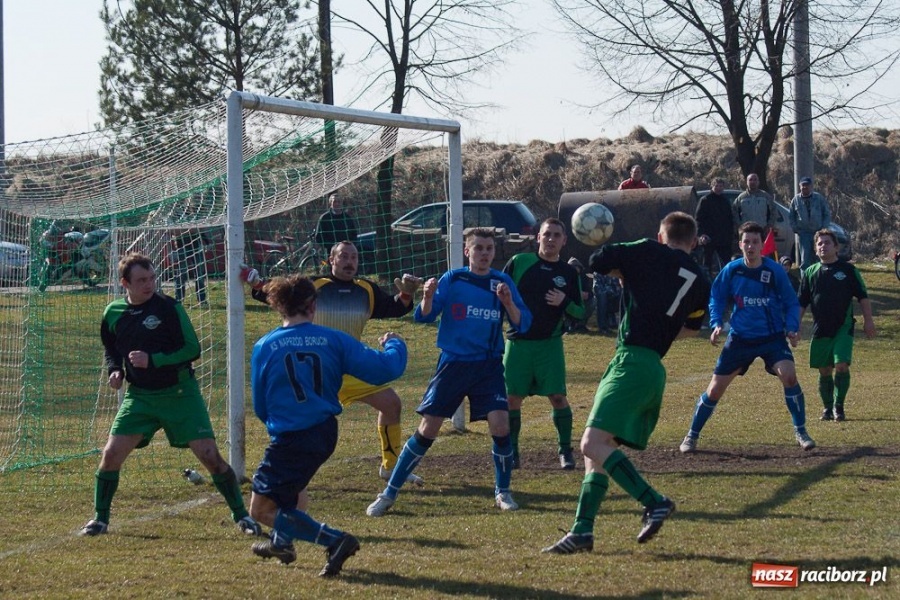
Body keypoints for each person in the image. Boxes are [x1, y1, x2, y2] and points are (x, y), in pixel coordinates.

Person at [542, 212, 709, 554]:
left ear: (662, 236)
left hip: (631, 362)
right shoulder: (701, 278)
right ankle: (582, 531)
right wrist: (657, 328)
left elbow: (599, 260)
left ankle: (653, 500)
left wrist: (622, 271)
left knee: (590, 444)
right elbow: (692, 328)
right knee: (599, 453)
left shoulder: (648, 249)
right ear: (693, 242)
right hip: (652, 366)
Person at [79, 253, 261, 537]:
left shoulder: (168, 307)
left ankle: (242, 517)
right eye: (141, 280)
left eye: (152, 278)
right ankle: (100, 520)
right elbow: (112, 348)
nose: (149, 284)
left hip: (180, 393)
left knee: (210, 456)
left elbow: (192, 349)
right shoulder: (113, 312)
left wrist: (154, 360)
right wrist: (116, 370)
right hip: (139, 397)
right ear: (124, 283)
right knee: (111, 454)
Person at [247, 275, 408, 576]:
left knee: (260, 510)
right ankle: (282, 542)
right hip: (324, 431)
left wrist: (278, 424)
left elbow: (260, 403)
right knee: (293, 490)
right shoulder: (333, 339)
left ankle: (335, 540)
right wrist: (395, 344)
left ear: (279, 307)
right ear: (312, 305)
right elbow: (386, 368)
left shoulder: (265, 346)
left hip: (291, 436)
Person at [365, 228, 532, 516]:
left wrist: (507, 303)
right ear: (467, 251)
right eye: (478, 248)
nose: (484, 254)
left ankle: (502, 492)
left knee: (501, 426)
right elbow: (425, 315)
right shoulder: (453, 279)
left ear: (494, 252)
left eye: (489, 249)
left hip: (488, 365)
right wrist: (427, 296)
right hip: (454, 363)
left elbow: (523, 323)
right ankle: (389, 492)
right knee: (428, 428)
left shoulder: (502, 282)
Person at [241, 241, 425, 488]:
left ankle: (390, 468)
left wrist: (407, 293)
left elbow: (394, 308)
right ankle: (278, 468)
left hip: (350, 367)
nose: (350, 261)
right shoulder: (315, 285)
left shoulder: (366, 290)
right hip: (317, 369)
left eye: (354, 257)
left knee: (391, 403)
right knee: (297, 421)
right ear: (331, 259)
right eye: (344, 256)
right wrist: (255, 282)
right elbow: (280, 296)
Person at [679, 221, 816, 454]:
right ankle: (691, 435)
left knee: (789, 376)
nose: (750, 246)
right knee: (714, 390)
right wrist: (715, 324)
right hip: (740, 338)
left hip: (772, 338)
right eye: (746, 242)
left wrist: (792, 327)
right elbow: (717, 298)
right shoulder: (732, 270)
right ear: (740, 244)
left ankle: (801, 431)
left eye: (755, 242)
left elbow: (791, 302)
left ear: (762, 245)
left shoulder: (773, 271)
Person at [502, 218, 585, 470]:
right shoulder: (519, 263)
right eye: (547, 234)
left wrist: (564, 301)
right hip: (518, 345)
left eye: (556, 235)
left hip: (549, 346)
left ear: (564, 240)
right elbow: (498, 295)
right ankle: (513, 452)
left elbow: (581, 313)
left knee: (558, 397)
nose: (551, 239)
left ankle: (565, 451)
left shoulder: (569, 273)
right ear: (538, 237)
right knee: (512, 399)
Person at [798, 229, 876, 422]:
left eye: (827, 243)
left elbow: (863, 297)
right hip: (821, 328)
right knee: (824, 370)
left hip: (844, 327)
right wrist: (795, 325)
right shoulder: (810, 272)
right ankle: (827, 408)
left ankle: (839, 406)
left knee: (841, 365)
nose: (823, 246)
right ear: (815, 249)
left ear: (836, 247)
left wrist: (869, 321)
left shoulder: (848, 271)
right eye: (819, 244)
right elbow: (801, 302)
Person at [789, 177, 832, 270]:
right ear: (800, 186)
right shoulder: (795, 200)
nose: (805, 187)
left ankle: (821, 277)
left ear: (811, 186)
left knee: (820, 257)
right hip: (804, 234)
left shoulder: (819, 198)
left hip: (818, 232)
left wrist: (823, 228)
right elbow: (791, 216)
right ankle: (805, 280)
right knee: (805, 260)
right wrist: (796, 229)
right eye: (803, 185)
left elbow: (827, 214)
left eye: (807, 185)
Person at [695, 177, 735, 271]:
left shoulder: (725, 201)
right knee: (707, 264)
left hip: (723, 238)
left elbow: (730, 219)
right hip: (708, 238)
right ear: (712, 186)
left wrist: (731, 235)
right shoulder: (705, 200)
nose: (719, 188)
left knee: (726, 264)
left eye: (721, 186)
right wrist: (701, 234)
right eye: (716, 186)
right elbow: (698, 219)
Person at [172, 228, 209, 306]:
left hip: (196, 246)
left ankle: (202, 300)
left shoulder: (193, 216)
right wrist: (190, 230)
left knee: (199, 274)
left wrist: (206, 241)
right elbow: (175, 232)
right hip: (181, 246)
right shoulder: (175, 216)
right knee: (181, 274)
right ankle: (179, 300)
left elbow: (199, 228)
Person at [564, 257, 594, 334]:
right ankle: (569, 324)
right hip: (569, 301)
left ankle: (581, 324)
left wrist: (587, 294)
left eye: (577, 267)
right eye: (573, 267)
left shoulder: (584, 278)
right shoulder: (564, 277)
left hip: (581, 301)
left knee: (592, 302)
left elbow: (590, 292)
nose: (576, 269)